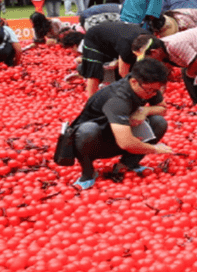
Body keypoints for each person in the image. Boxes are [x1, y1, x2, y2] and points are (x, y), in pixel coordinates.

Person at [68, 59, 172, 189]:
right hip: (95, 142)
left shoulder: (147, 86)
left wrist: (145, 110)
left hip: (121, 131)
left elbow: (163, 109)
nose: (152, 95)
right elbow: (126, 143)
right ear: (134, 82)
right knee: (87, 130)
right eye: (150, 91)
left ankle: (127, 164)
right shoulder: (118, 99)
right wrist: (155, 149)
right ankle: (88, 172)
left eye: (156, 91)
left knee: (159, 122)